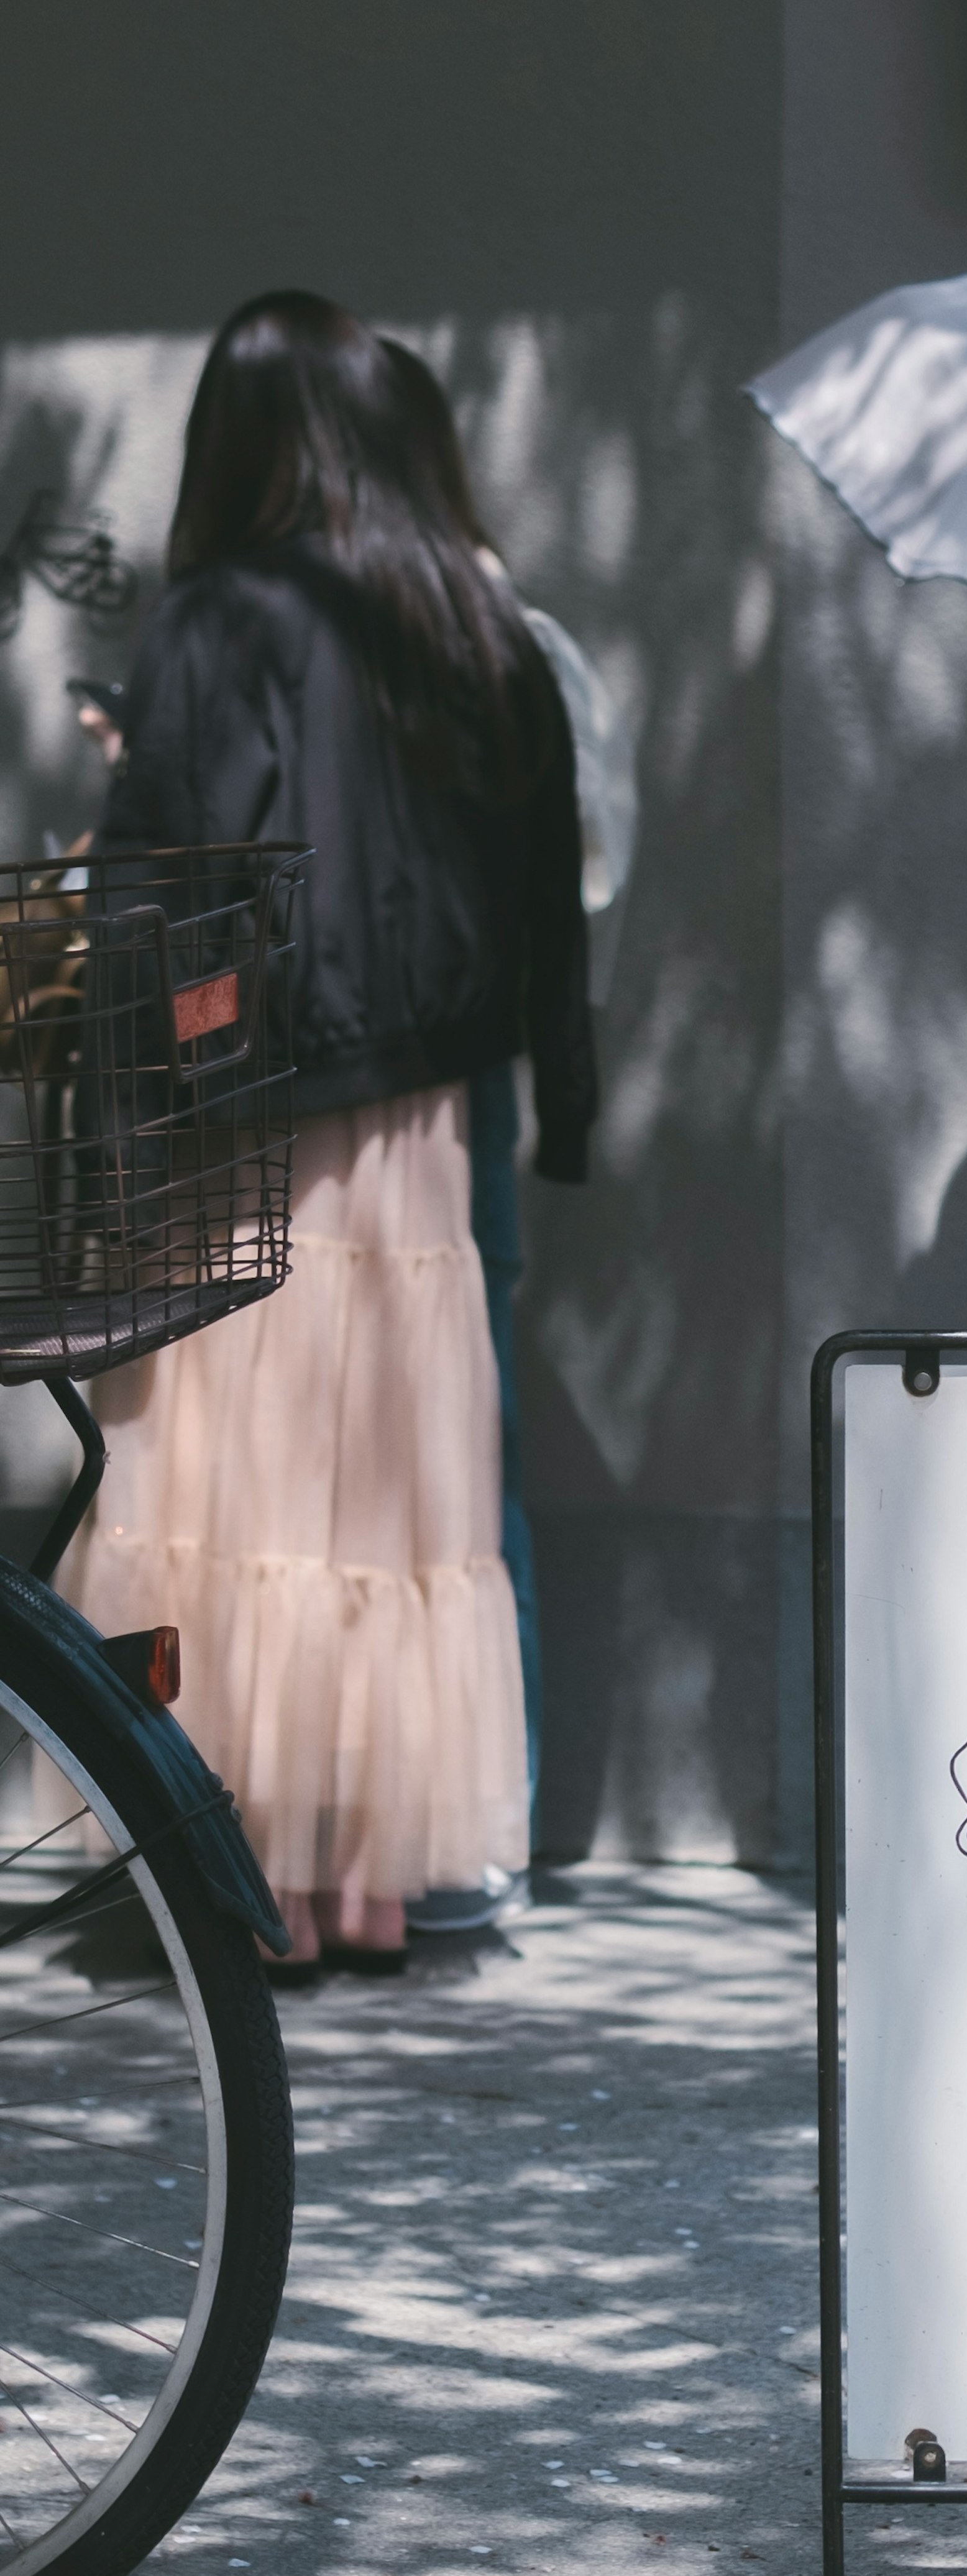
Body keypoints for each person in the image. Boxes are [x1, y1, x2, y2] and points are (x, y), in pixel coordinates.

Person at [66, 290, 594, 1976]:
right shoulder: (477, 621)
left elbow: (181, 882)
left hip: (251, 1119)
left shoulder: (224, 615)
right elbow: (550, 892)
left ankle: (257, 1883)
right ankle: (374, 1877)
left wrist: (126, 1068)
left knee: (234, 1484)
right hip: (427, 1122)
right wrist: (562, 1091)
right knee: (386, 1500)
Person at [381, 340, 639, 1926]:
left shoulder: (477, 638)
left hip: (404, 1080)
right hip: (453, 1071)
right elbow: (589, 871)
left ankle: (473, 1820)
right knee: (462, 1448)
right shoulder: (500, 632)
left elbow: (584, 866)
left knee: (443, 1450)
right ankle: (477, 1823)